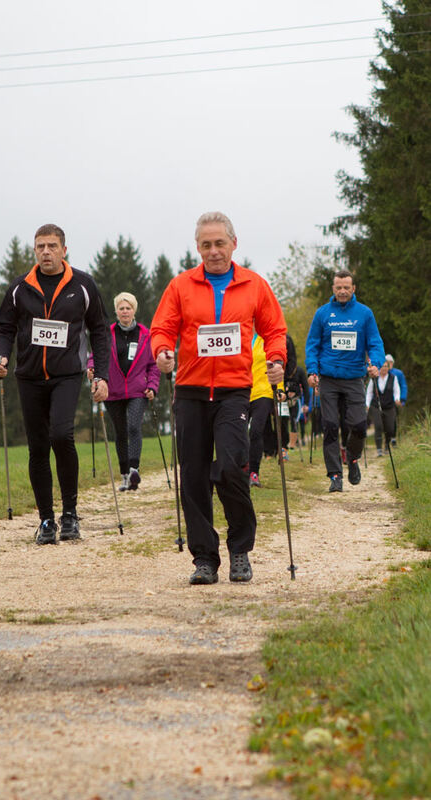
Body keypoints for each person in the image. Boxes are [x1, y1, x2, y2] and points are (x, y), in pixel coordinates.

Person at [151, 211, 287, 585]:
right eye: (206, 245)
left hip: (233, 390)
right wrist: (162, 351)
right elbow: (162, 328)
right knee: (193, 475)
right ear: (198, 247)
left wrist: (277, 360)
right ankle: (204, 559)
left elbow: (275, 329)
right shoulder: (181, 286)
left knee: (230, 466)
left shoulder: (253, 285)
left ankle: (239, 549)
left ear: (233, 243)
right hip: (191, 391)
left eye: (219, 243)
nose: (213, 251)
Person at [0, 223, 110, 545]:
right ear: (35, 251)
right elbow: (3, 327)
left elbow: (99, 330)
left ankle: (69, 513)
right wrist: (0, 356)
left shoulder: (83, 285)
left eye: (52, 246)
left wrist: (102, 374)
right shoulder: (20, 288)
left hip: (67, 375)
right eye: (40, 246)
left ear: (64, 250)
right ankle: (46, 519)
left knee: (62, 434)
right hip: (29, 376)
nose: (46, 252)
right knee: (38, 447)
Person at [305, 269, 385, 493]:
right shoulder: (322, 314)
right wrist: (312, 371)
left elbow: (375, 343)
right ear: (333, 289)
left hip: (354, 378)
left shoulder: (364, 314)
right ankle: (335, 475)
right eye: (338, 287)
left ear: (353, 289)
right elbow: (312, 345)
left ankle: (352, 458)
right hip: (328, 379)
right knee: (330, 426)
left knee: (359, 425)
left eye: (346, 288)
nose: (342, 291)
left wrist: (376, 364)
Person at [88, 292, 160, 491]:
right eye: (121, 308)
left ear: (134, 310)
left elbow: (153, 365)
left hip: (138, 390)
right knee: (120, 432)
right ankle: (124, 476)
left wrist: (152, 386)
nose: (125, 311)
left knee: (134, 427)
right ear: (116, 311)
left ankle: (134, 469)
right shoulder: (106, 333)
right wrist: (91, 368)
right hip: (112, 390)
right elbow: (96, 355)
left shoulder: (146, 335)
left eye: (128, 308)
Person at [248, 333, 284, 487]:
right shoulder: (239, 334)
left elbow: (277, 365)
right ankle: (238, 470)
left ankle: (253, 473)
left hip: (263, 392)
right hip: (240, 391)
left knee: (256, 431)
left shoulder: (268, 339)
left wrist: (280, 389)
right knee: (236, 434)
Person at [366, 361, 401, 456]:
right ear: (379, 368)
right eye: (382, 366)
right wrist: (367, 404)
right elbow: (369, 392)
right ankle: (379, 449)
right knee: (378, 426)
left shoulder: (393, 378)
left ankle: (386, 445)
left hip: (389, 406)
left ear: (388, 368)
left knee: (389, 427)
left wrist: (397, 399)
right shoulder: (374, 379)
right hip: (376, 406)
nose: (384, 368)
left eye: (386, 366)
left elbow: (396, 391)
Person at [385, 353, 408, 445]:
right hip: (384, 400)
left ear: (393, 363)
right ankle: (386, 439)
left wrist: (402, 399)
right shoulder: (381, 372)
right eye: (387, 363)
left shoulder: (398, 373)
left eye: (390, 362)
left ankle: (393, 438)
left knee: (393, 419)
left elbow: (403, 385)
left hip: (395, 400)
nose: (389, 364)